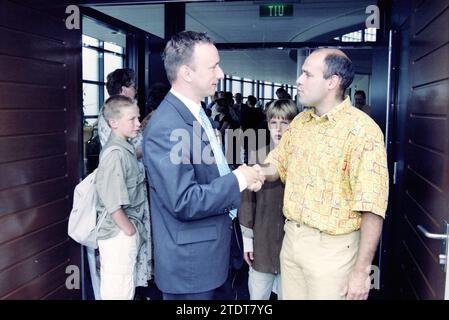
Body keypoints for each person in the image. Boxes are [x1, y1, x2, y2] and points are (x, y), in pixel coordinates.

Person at [257, 48, 389, 300]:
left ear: (332, 81)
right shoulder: (300, 122)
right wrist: (254, 172)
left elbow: (372, 207)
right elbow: (278, 164)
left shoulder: (363, 131)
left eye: (307, 74)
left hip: (334, 252)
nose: (299, 80)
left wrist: (361, 271)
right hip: (292, 241)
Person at [142, 31, 264, 300]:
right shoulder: (167, 126)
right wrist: (238, 180)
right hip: (191, 269)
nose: (220, 73)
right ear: (187, 73)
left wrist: (238, 177)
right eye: (213, 66)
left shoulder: (195, 113)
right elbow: (184, 200)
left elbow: (208, 176)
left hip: (210, 254)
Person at [239, 99, 298, 300]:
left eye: (285, 122)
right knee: (258, 295)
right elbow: (247, 201)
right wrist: (248, 242)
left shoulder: (303, 159)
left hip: (293, 245)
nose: (279, 129)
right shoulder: (258, 157)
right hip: (263, 241)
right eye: (273, 122)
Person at [95, 95, 147, 300]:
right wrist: (130, 232)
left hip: (122, 233)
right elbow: (114, 204)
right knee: (118, 292)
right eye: (132, 119)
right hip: (118, 235)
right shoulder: (115, 154)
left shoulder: (125, 149)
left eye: (138, 118)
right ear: (113, 123)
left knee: (124, 289)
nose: (138, 124)